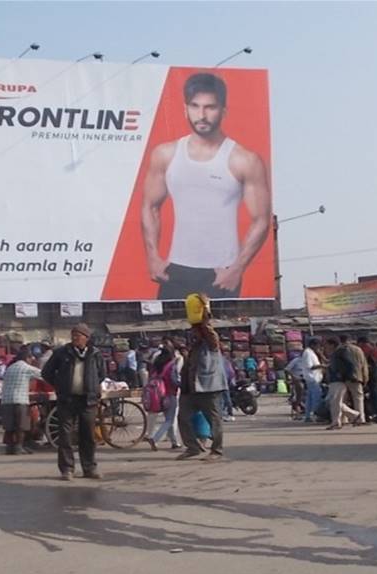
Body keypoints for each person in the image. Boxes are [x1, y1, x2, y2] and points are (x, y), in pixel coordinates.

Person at [142, 72, 273, 300]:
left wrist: (237, 268)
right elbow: (150, 206)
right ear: (185, 108)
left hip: (221, 273)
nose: (201, 115)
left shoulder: (244, 159)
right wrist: (153, 257)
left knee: (221, 332)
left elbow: (262, 218)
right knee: (171, 332)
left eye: (210, 107)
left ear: (223, 111)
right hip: (175, 271)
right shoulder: (165, 153)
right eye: (195, 106)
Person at [42, 324, 106, 480]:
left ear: (86, 338)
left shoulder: (95, 354)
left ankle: (89, 468)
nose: (75, 338)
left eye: (78, 335)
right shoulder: (61, 353)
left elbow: (101, 374)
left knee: (88, 435)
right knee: (65, 434)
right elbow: (46, 372)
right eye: (73, 335)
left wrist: (92, 386)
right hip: (67, 399)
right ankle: (67, 469)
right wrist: (60, 385)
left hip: (88, 400)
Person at [175, 295, 228, 460]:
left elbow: (207, 329)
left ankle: (216, 451)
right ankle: (192, 447)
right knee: (182, 418)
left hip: (209, 388)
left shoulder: (211, 344)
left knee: (214, 420)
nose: (193, 333)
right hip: (191, 389)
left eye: (195, 330)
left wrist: (205, 310)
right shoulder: (194, 347)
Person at [0, 347, 43, 455]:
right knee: (21, 426)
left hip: (6, 400)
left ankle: (9, 447)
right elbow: (44, 375)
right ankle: (19, 447)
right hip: (20, 399)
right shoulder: (27, 368)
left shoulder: (9, 368)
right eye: (31, 358)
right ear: (27, 358)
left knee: (9, 426)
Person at [145, 339, 183, 451]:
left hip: (158, 395)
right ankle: (155, 438)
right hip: (170, 394)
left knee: (168, 418)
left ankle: (174, 442)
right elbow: (173, 380)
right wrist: (182, 385)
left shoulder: (157, 365)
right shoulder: (171, 365)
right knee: (170, 420)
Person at [325, 337, 361, 430]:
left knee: (335, 402)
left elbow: (350, 365)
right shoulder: (335, 353)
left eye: (327, 344)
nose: (326, 347)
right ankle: (354, 415)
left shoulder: (341, 351)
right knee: (334, 402)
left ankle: (336, 422)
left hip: (338, 379)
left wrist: (344, 375)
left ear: (332, 344)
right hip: (334, 379)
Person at [338, 335, 369, 425]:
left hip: (343, 378)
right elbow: (364, 364)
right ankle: (360, 418)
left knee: (343, 399)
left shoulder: (339, 350)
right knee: (358, 399)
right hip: (357, 377)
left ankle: (344, 419)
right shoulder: (358, 350)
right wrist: (365, 378)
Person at [357, 336, 377, 423]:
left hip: (367, 376)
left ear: (361, 342)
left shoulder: (362, 350)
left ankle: (368, 415)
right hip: (376, 376)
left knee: (366, 397)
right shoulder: (376, 350)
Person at [299, 338, 324, 423]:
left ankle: (308, 416)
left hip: (312, 378)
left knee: (309, 399)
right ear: (314, 345)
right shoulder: (308, 353)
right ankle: (316, 415)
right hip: (312, 378)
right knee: (316, 397)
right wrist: (323, 366)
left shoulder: (311, 352)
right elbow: (310, 366)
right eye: (318, 346)